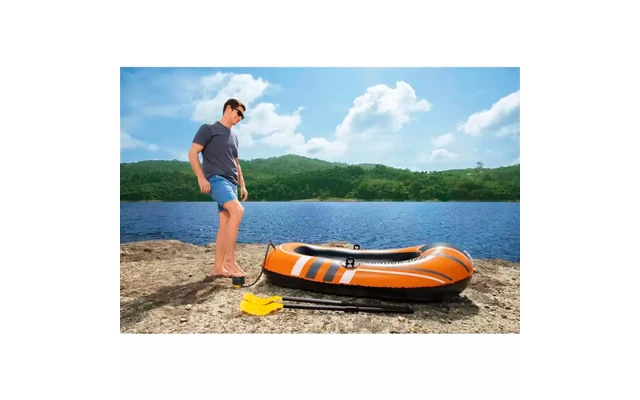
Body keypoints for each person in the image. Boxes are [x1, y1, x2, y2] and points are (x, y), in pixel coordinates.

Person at [188, 98, 249, 281]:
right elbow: (192, 153)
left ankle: (217, 268)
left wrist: (242, 185)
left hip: (231, 183)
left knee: (225, 223)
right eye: (239, 113)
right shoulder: (209, 129)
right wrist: (201, 177)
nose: (240, 117)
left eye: (243, 116)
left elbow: (237, 164)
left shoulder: (234, 137)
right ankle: (230, 261)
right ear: (228, 108)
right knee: (238, 211)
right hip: (216, 179)